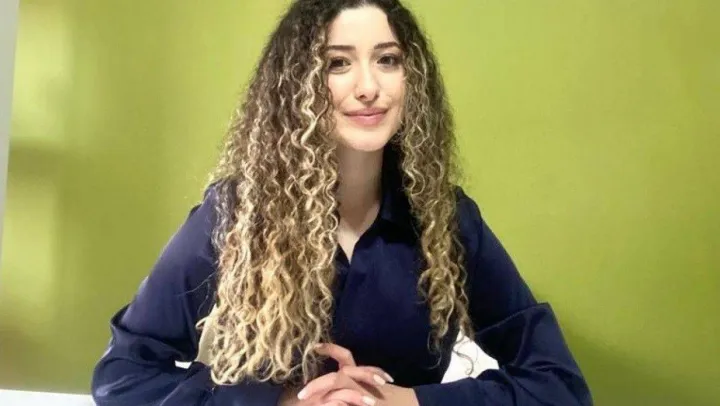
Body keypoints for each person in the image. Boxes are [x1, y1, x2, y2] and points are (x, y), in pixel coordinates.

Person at [91, 0, 592, 405]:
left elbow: (558, 385)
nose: (369, 87)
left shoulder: (448, 220)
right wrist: (281, 403)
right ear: (296, 86)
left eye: (387, 60)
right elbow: (124, 375)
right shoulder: (235, 214)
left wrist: (404, 402)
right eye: (337, 63)